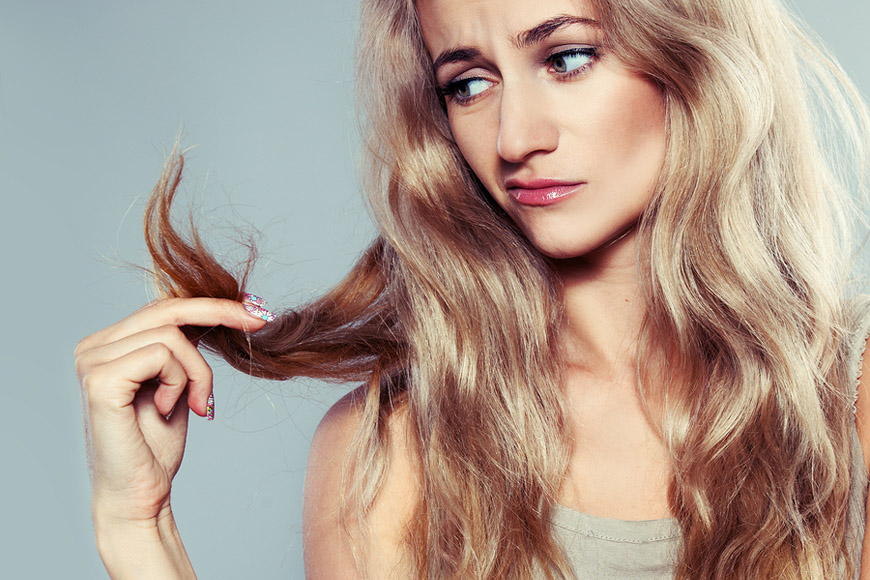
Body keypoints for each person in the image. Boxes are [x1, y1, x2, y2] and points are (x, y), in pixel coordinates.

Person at [74, 0, 870, 578]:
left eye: (566, 58)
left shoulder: (851, 394)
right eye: (468, 83)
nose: (516, 138)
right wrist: (135, 528)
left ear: (690, 49)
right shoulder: (394, 450)